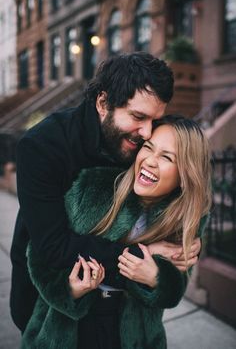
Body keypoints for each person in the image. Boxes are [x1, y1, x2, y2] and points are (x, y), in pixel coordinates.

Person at [10, 52, 201, 332]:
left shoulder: (138, 138)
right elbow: (53, 247)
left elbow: (177, 175)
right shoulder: (41, 147)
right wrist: (141, 252)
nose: (148, 132)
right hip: (50, 302)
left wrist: (186, 237)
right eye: (138, 116)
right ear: (103, 102)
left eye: (155, 120)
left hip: (121, 312)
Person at [20, 115, 211, 349]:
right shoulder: (93, 188)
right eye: (148, 148)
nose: (150, 161)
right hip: (67, 330)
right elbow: (40, 254)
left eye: (167, 158)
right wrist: (68, 290)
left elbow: (173, 293)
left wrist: (156, 279)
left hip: (134, 337)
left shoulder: (184, 222)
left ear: (185, 174)